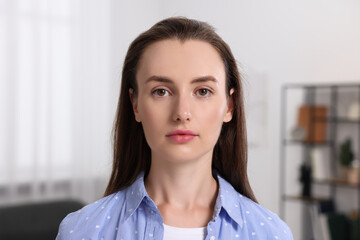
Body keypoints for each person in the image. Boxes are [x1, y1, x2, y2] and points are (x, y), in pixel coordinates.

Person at [56, 17, 293, 240]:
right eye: (161, 91)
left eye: (203, 91)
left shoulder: (272, 233)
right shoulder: (81, 231)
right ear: (135, 104)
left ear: (229, 106)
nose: (182, 113)